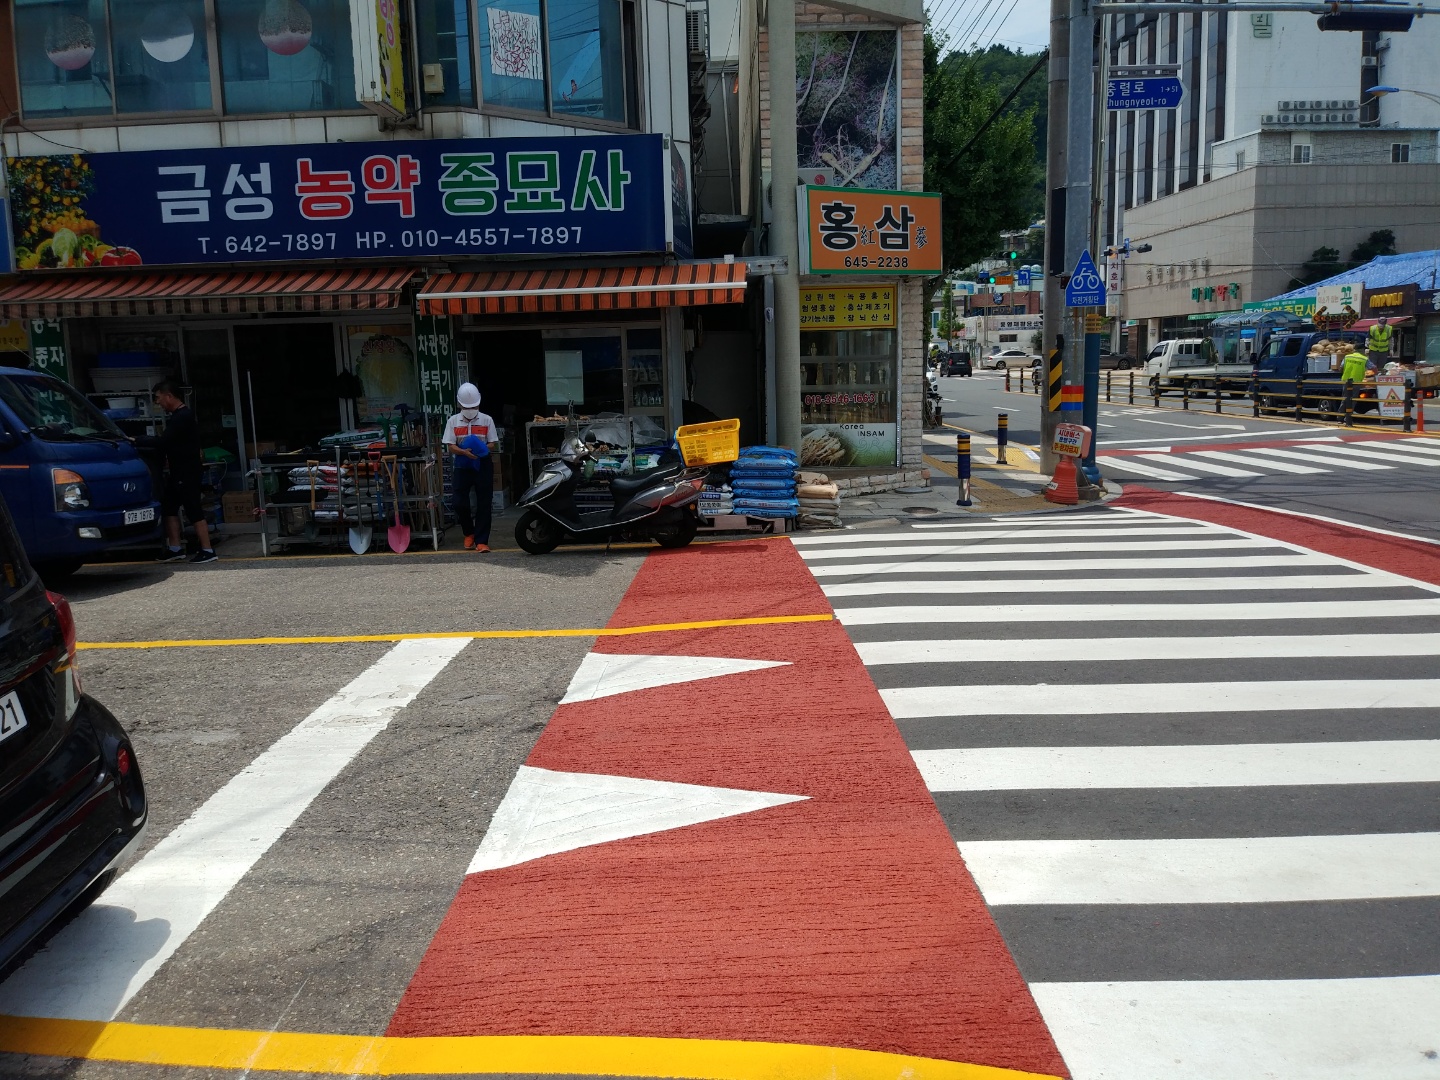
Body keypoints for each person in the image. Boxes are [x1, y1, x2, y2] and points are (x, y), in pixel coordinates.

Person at [139, 381, 215, 563]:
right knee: (169, 506)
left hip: (187, 471)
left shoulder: (183, 417)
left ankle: (208, 550)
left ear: (169, 396)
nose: (158, 402)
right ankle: (175, 548)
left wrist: (139, 440)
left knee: (192, 508)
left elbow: (164, 441)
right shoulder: (177, 416)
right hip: (177, 471)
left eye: (158, 398)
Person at [442, 383, 498, 552]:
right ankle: (469, 532)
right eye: (467, 407)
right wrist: (464, 452)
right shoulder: (453, 421)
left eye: (473, 406)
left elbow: (492, 443)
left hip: (482, 463)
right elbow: (450, 445)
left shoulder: (487, 420)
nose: (470, 409)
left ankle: (482, 541)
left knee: (484, 502)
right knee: (459, 502)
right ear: (459, 404)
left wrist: (480, 449)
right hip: (462, 463)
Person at [1340, 345, 1369, 418]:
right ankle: (1348, 417)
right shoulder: (1364, 358)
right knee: (1352, 400)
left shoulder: (1347, 357)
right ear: (1362, 350)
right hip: (1356, 381)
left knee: (1345, 399)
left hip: (1346, 380)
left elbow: (1341, 367)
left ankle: (1340, 417)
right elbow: (1373, 367)